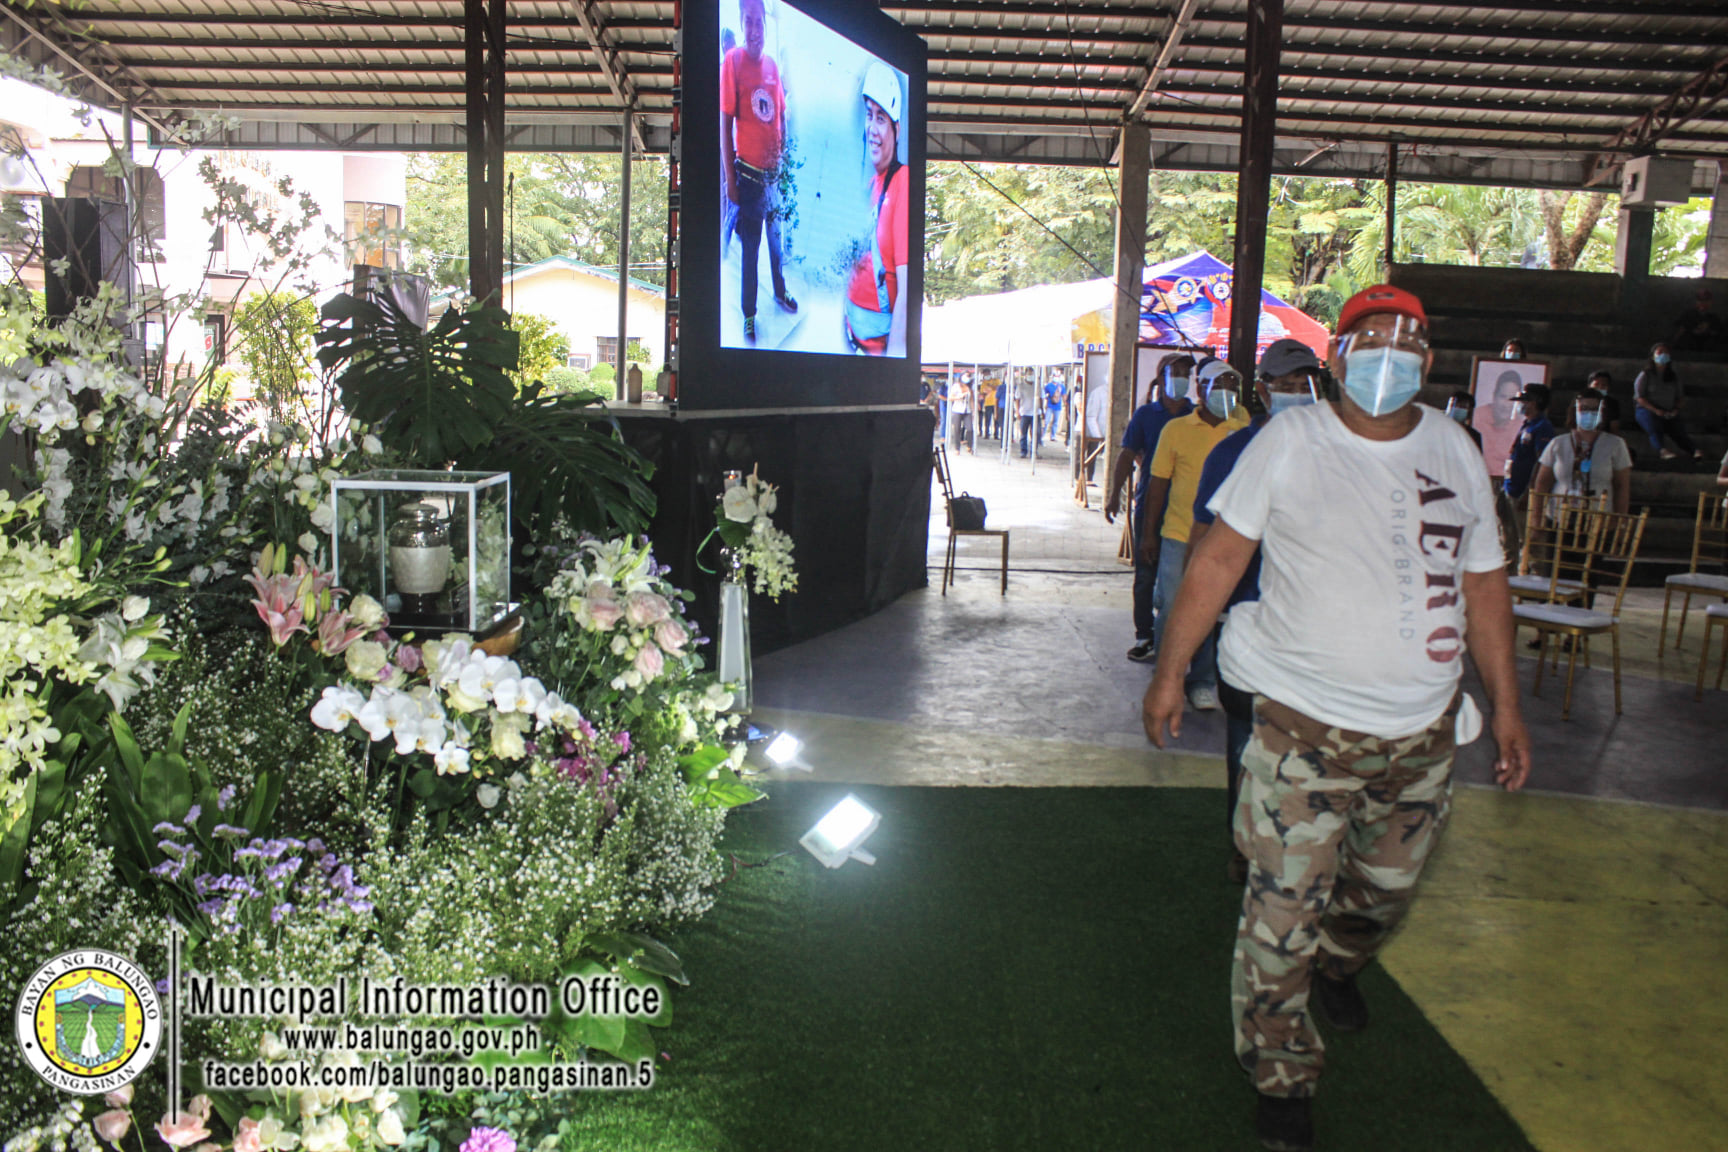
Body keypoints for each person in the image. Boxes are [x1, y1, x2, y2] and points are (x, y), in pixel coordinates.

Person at [1142, 285, 1531, 1152]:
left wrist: (1507, 706)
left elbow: (1485, 584)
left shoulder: (1455, 449)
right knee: (1281, 910)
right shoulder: (1290, 441)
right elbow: (1216, 559)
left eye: (1408, 341)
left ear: (1428, 363)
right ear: (1339, 353)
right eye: (1372, 338)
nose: (1390, 354)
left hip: (1423, 736)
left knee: (1381, 899)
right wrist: (1171, 674)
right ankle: (1282, 1072)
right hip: (1300, 729)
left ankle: (1341, 961)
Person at [1187, 337, 1323, 885]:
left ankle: (1301, 851)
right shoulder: (1233, 451)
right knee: (1247, 743)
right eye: (1285, 387)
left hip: (1315, 630)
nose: (1296, 395)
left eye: (1304, 386)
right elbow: (1204, 541)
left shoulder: (1337, 452)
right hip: (1248, 624)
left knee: (1312, 750)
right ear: (1263, 391)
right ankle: (1243, 851)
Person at [1141, 357, 1246, 710]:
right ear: (1202, 389)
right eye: (1220, 386)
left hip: (1224, 538)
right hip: (1179, 532)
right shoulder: (1176, 429)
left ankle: (1200, 680)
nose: (1227, 394)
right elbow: (1158, 485)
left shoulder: (1243, 424)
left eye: (1233, 387)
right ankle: (1166, 673)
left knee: (1211, 609)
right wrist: (1149, 534)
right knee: (1172, 607)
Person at [1104, 355, 1194, 662]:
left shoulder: (1196, 415)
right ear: (1162, 376)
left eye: (1186, 373)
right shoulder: (1146, 415)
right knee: (1146, 573)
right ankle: (1145, 635)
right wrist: (1114, 493)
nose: (1182, 378)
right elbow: (1126, 455)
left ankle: (1174, 636)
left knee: (1182, 576)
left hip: (1186, 509)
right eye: (1176, 372)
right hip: (1150, 505)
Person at [721, 0, 797, 343]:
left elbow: (780, 115)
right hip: (747, 178)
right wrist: (730, 181)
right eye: (748, 22)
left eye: (759, 23)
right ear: (741, 23)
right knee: (750, 251)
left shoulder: (772, 67)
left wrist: (782, 166)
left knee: (777, 245)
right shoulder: (732, 61)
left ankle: (780, 292)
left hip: (774, 180)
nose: (755, 30)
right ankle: (749, 315)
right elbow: (725, 125)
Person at [843, 61, 909, 357]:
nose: (872, 127)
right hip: (853, 345)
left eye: (881, 118)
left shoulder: (902, 182)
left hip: (877, 355)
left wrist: (892, 363)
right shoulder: (871, 185)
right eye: (869, 115)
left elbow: (906, 290)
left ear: (896, 129)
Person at [1533, 390, 1633, 515]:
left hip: (1599, 520)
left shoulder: (1616, 444)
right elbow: (1542, 483)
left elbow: (1622, 486)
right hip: (1559, 519)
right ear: (1575, 410)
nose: (1589, 413)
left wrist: (1620, 519)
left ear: (1602, 412)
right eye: (1584, 408)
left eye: (1594, 409)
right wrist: (1536, 517)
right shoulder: (1558, 443)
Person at [1634, 341, 1703, 463]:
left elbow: (1680, 397)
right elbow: (1639, 397)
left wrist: (1675, 410)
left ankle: (1694, 451)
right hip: (1648, 409)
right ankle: (1662, 450)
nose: (1663, 354)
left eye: (1666, 352)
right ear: (1653, 355)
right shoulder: (1645, 375)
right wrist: (1655, 410)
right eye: (1660, 352)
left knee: (1678, 430)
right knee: (1654, 426)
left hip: (1669, 410)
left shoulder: (1674, 377)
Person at [1669, 286, 1725, 353]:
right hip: (1689, 349)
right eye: (1700, 300)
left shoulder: (1714, 318)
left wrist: (1707, 331)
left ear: (1710, 302)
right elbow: (1679, 332)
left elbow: (1719, 334)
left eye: (1706, 300)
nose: (1703, 303)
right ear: (1696, 302)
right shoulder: (1688, 315)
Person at [1584, 370, 1623, 436]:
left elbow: (1614, 428)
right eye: (1596, 385)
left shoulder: (1612, 403)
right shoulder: (1581, 401)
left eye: (1604, 385)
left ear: (1608, 388)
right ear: (1589, 386)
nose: (1600, 388)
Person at [1015, 372, 1040, 457]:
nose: (1030, 376)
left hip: (1036, 412)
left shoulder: (1037, 385)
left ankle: (1034, 451)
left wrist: (1042, 410)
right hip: (1024, 412)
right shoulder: (1021, 386)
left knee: (1036, 433)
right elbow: (1017, 399)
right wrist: (1017, 411)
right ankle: (1023, 451)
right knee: (1023, 433)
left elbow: (1041, 398)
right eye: (1029, 374)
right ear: (1025, 375)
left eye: (1032, 374)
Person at [950, 376, 973, 452]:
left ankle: (969, 446)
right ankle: (957, 448)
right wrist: (959, 397)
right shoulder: (956, 386)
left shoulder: (970, 387)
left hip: (967, 410)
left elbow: (971, 399)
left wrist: (973, 410)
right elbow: (950, 397)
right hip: (957, 409)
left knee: (970, 428)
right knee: (957, 429)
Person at [1044, 372, 1064, 443]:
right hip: (1050, 405)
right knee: (1046, 421)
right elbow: (1044, 394)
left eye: (1058, 376)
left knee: (1055, 422)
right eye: (1055, 376)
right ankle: (1042, 435)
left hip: (1058, 407)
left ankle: (1053, 436)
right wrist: (1047, 398)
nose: (1056, 378)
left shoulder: (1061, 386)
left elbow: (1064, 395)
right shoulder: (1048, 386)